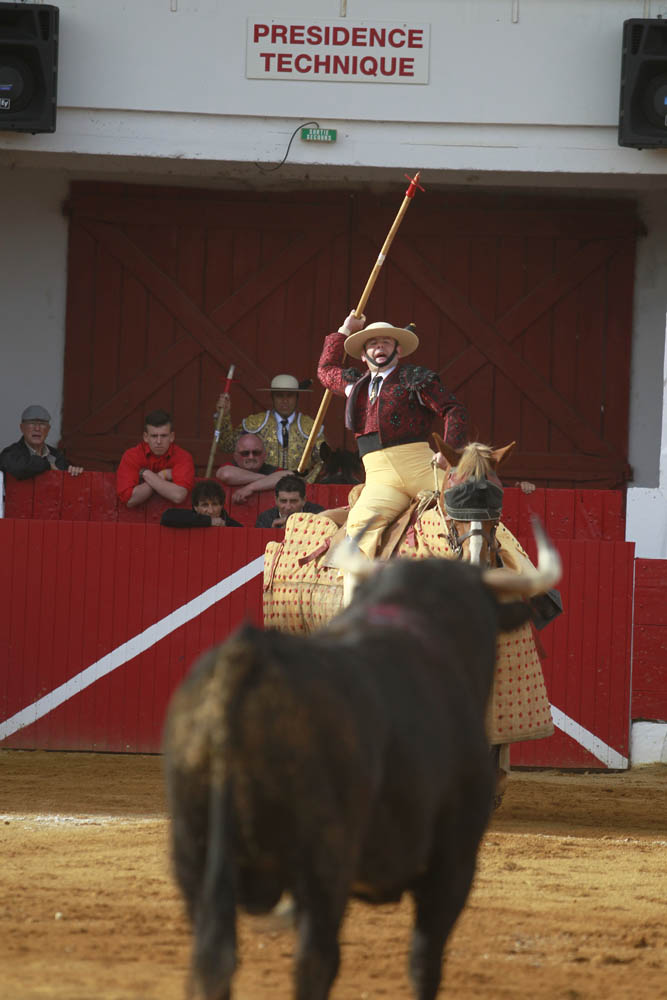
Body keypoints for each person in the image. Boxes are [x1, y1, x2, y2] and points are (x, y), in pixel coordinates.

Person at [318, 311, 467, 582]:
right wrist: (344, 330)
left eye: (386, 342)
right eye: (373, 343)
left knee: (468, 508)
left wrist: (449, 453)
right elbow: (325, 371)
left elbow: (453, 409)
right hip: (379, 478)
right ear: (363, 354)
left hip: (421, 467)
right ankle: (354, 614)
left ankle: (530, 590)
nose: (380, 347)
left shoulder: (415, 378)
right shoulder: (355, 384)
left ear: (398, 349)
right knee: (356, 537)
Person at [215, 374, 327, 482]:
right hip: (258, 489)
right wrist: (223, 416)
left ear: (297, 398)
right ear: (272, 397)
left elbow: (324, 461)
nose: (285, 400)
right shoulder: (255, 423)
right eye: (280, 395)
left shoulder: (311, 427)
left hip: (297, 492)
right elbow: (226, 445)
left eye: (290, 395)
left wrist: (307, 482)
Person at [116, 409, 195, 509]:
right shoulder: (132, 456)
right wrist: (162, 475)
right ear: (145, 437)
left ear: (172, 437)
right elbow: (130, 500)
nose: (158, 441)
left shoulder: (183, 457)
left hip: (174, 520)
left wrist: (147, 474)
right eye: (154, 436)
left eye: (163, 436)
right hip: (136, 520)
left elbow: (178, 496)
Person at [0, 405, 83, 479]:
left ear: (48, 429)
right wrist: (47, 465)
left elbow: (66, 483)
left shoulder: (57, 456)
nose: (37, 428)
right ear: (22, 428)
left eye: (42, 424)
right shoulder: (10, 453)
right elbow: (19, 468)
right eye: (32, 423)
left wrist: (74, 473)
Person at [216, 432, 289, 504]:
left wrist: (250, 488)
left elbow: (290, 477)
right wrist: (268, 479)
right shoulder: (230, 467)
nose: (251, 457)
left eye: (256, 452)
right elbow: (226, 475)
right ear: (235, 456)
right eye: (245, 453)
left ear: (265, 455)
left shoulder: (271, 470)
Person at [254, 473, 325, 529]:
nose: (288, 507)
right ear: (276, 500)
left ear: (304, 500)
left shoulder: (318, 514)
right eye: (283, 501)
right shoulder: (265, 519)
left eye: (293, 501)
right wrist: (272, 532)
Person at [161, 480, 242, 528]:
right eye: (205, 505)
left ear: (222, 505)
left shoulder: (235, 527)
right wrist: (209, 521)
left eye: (215, 504)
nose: (210, 511)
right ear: (195, 507)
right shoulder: (186, 519)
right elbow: (167, 516)